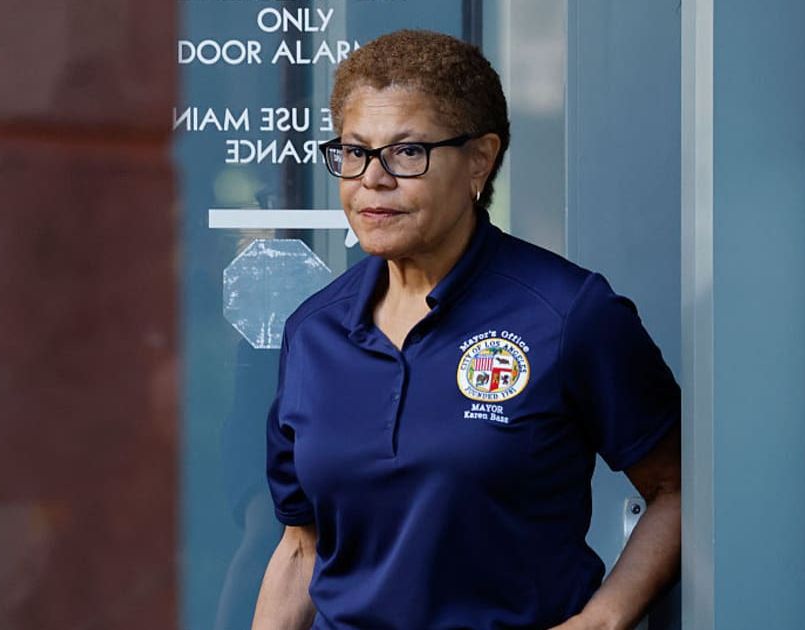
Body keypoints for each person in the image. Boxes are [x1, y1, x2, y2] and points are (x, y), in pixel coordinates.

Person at [253, 29, 681, 630]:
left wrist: (602, 620)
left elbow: (678, 488)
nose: (372, 179)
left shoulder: (568, 313)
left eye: (406, 153)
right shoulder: (314, 331)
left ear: (480, 159)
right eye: (354, 152)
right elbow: (303, 546)